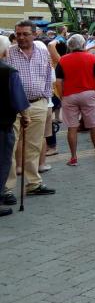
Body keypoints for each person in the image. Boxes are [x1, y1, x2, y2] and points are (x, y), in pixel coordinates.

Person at [56, 34, 95, 166]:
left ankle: (73, 157)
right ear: (83, 44)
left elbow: (58, 82)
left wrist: (62, 96)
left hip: (69, 95)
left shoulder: (62, 60)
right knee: (93, 126)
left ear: (69, 46)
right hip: (89, 93)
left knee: (72, 127)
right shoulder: (92, 58)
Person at [0, 35, 30, 217]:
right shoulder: (9, 72)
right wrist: (25, 116)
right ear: (4, 51)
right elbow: (19, 100)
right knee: (2, 161)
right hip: (2, 126)